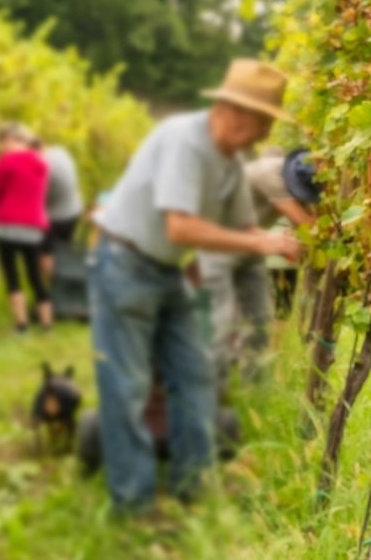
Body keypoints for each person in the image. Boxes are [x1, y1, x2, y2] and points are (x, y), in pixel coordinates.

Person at [88, 59, 300, 513]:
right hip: (123, 262)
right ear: (237, 112)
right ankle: (134, 502)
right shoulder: (186, 142)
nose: (265, 136)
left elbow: (242, 221)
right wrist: (259, 241)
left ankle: (191, 485)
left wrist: (276, 238)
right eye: (264, 123)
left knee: (196, 371)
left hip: (162, 269)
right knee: (127, 385)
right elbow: (182, 228)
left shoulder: (227, 161)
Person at [199, 147, 320, 380]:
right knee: (222, 321)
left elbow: (303, 227)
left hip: (249, 249)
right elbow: (305, 222)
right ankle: (209, 386)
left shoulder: (285, 177)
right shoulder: (270, 175)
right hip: (220, 248)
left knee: (259, 323)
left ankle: (251, 386)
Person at [0, 123, 53, 333]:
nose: (1, 146)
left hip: (8, 225)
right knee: (34, 275)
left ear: (11, 140)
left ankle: (22, 326)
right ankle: (47, 326)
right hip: (34, 226)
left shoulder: (5, 161)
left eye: (3, 141)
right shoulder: (41, 163)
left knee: (12, 274)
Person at [36, 140, 84, 282]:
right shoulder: (60, 151)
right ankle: (67, 290)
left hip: (55, 217)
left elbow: (37, 196)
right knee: (63, 251)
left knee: (45, 255)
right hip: (73, 211)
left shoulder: (43, 166)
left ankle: (57, 291)